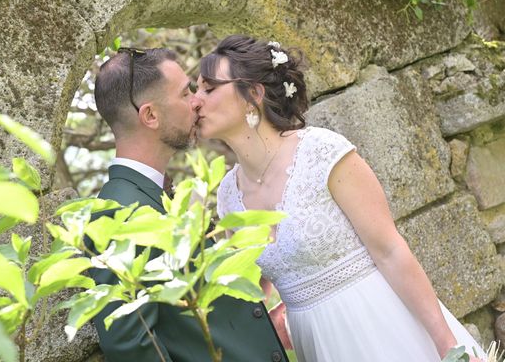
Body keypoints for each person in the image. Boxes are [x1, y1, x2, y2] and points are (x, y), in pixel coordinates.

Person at [194, 35, 487, 362]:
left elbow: (390, 251)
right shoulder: (227, 195)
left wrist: (447, 344)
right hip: (314, 344)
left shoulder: (322, 152)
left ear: (254, 95)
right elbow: (254, 285)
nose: (195, 101)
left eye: (208, 89)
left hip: (378, 324)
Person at [91, 47, 289, 362]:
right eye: (185, 93)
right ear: (151, 116)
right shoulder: (119, 211)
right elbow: (133, 349)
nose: (197, 101)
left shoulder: (155, 196)